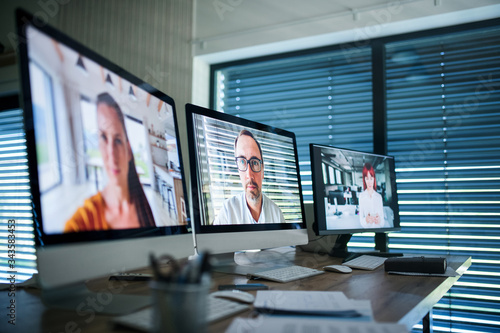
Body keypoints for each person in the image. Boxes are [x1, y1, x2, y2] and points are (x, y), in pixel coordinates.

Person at [65, 93, 155, 232]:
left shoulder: (143, 209)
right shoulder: (81, 222)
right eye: (103, 137)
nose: (111, 154)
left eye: (118, 140)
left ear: (129, 151)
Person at [213, 130, 285, 225]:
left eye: (255, 162)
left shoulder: (276, 214)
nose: (249, 175)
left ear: (262, 170)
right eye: (242, 162)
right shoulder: (227, 212)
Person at [358, 162, 384, 228]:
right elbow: (361, 222)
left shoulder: (379, 197)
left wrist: (380, 220)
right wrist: (366, 220)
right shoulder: (361, 196)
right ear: (364, 179)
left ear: (374, 179)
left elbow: (382, 222)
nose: (369, 182)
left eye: (371, 178)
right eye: (367, 178)